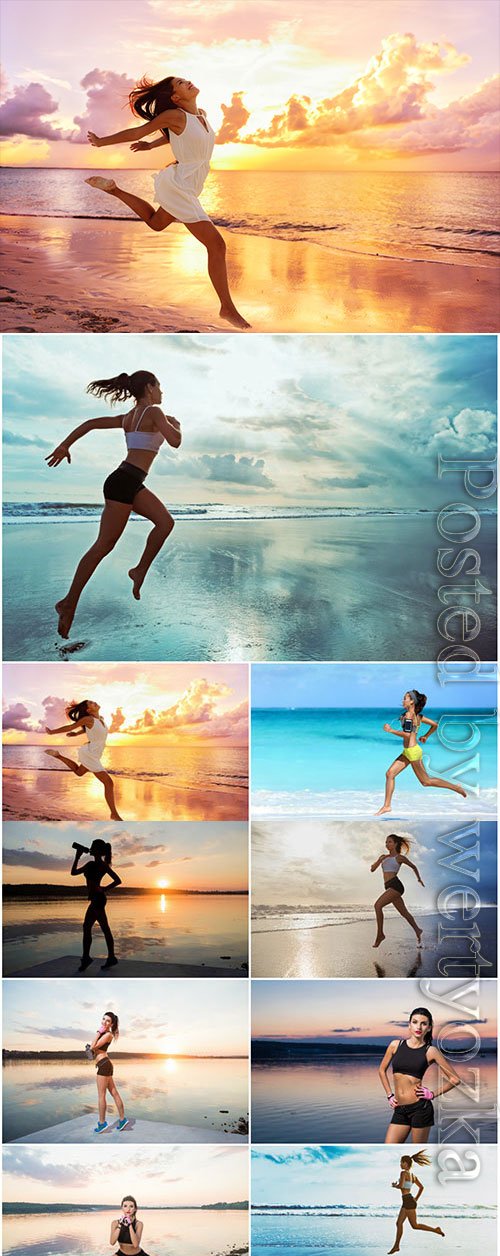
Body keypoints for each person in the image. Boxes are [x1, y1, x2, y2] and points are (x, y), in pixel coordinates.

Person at [86, 74, 250, 330]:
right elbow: (136, 131)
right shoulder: (174, 115)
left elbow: (179, 136)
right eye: (182, 84)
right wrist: (101, 141)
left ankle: (115, 190)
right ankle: (227, 308)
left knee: (156, 223)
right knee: (216, 246)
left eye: (186, 80)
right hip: (181, 184)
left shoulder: (201, 115)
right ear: (175, 97)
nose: (189, 83)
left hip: (191, 184)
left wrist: (151, 147)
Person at [46, 370, 181, 639]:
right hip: (123, 482)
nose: (162, 392)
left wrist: (65, 444)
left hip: (128, 481)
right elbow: (176, 441)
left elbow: (90, 423)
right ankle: (69, 602)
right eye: (160, 386)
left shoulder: (129, 418)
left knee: (165, 522)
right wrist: (175, 424)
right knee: (103, 545)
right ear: (150, 388)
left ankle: (139, 570)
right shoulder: (153, 412)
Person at [376, 689, 467, 815]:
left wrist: (390, 730)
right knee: (390, 774)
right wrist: (425, 736)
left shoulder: (409, 716)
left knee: (426, 781)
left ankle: (456, 787)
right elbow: (435, 725)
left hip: (413, 752)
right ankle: (387, 806)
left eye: (405, 698)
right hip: (408, 752)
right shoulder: (418, 717)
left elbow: (407, 735)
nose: (403, 700)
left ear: (412, 701)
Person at [380, 1006, 461, 1144]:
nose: (419, 1026)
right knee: (389, 1148)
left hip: (420, 1109)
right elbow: (382, 1070)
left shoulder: (431, 1051)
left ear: (429, 1028)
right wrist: (389, 1094)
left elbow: (455, 1079)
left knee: (418, 1154)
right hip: (399, 1109)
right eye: (415, 1022)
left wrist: (432, 1094)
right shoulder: (395, 1045)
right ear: (409, 1025)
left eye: (424, 1023)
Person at [45, 699, 121, 820]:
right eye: (90, 703)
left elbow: (87, 729)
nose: (94, 702)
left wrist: (76, 734)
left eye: (92, 701)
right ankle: (114, 814)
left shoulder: (100, 718)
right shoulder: (88, 719)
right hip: (90, 753)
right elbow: (71, 726)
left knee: (79, 772)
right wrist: (52, 732)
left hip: (95, 753)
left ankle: (58, 756)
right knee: (108, 783)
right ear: (88, 710)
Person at [70, 837, 121, 972]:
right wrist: (77, 856)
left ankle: (92, 958)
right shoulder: (95, 864)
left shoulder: (97, 865)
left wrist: (103, 889)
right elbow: (73, 873)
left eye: (93, 846)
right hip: (96, 899)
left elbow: (118, 880)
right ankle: (98, 958)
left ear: (97, 850)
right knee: (93, 927)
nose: (90, 848)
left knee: (97, 927)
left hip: (98, 899)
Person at [370, 833, 424, 949]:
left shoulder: (399, 858)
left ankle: (380, 935)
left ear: (395, 844)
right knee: (404, 913)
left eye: (389, 842)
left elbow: (413, 866)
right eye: (386, 842)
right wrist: (379, 860)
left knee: (377, 906)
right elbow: (372, 869)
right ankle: (418, 930)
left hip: (396, 885)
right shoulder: (383, 857)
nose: (387, 844)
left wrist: (419, 879)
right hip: (388, 886)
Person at [388, 1152, 445, 1254]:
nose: (400, 1164)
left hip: (408, 1201)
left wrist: (394, 1185)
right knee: (399, 1223)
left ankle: (436, 1230)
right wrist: (416, 1199)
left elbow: (401, 1186)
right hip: (408, 1201)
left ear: (406, 1163)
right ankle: (396, 1246)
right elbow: (421, 1187)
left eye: (401, 1162)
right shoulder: (413, 1176)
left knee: (414, 1225)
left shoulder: (403, 1173)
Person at [90, 1011, 127, 1134]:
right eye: (103, 1019)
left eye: (108, 1021)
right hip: (105, 1064)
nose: (104, 1022)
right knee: (114, 1092)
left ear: (111, 1024)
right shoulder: (105, 1034)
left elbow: (93, 1047)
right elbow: (95, 1050)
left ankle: (102, 1123)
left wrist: (98, 1032)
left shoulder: (107, 1035)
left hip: (104, 1065)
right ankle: (122, 1120)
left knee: (102, 1096)